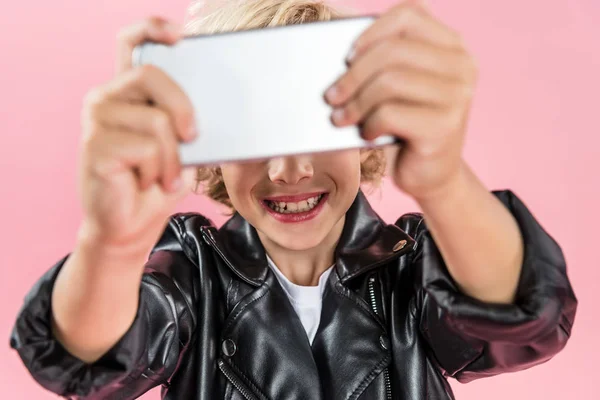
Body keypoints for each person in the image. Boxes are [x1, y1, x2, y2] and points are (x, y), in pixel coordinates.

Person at [10, 0, 577, 399]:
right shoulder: (190, 266)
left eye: (315, 131)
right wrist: (110, 243)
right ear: (210, 149)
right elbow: (87, 359)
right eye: (256, 140)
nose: (290, 170)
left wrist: (447, 181)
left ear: (362, 132)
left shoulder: (416, 258)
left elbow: (523, 317)